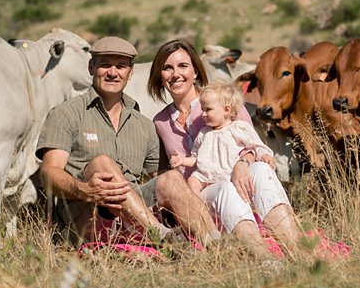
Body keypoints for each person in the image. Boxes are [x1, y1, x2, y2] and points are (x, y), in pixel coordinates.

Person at [36, 36, 221, 249]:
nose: (113, 72)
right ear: (91, 67)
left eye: (121, 66)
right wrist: (84, 189)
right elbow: (48, 173)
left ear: (130, 73)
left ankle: (216, 244)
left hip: (135, 217)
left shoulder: (143, 125)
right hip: (86, 214)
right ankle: (164, 238)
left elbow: (160, 180)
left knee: (171, 178)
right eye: (105, 65)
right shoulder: (66, 114)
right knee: (102, 164)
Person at [149, 39, 303, 260]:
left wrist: (243, 163)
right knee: (224, 189)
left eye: (183, 66)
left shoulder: (224, 102)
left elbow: (250, 145)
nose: (175, 74)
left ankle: (296, 250)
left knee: (261, 170)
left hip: (240, 182)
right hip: (201, 196)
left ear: (195, 71)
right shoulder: (160, 122)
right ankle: (264, 259)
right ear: (160, 75)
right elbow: (165, 173)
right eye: (167, 68)